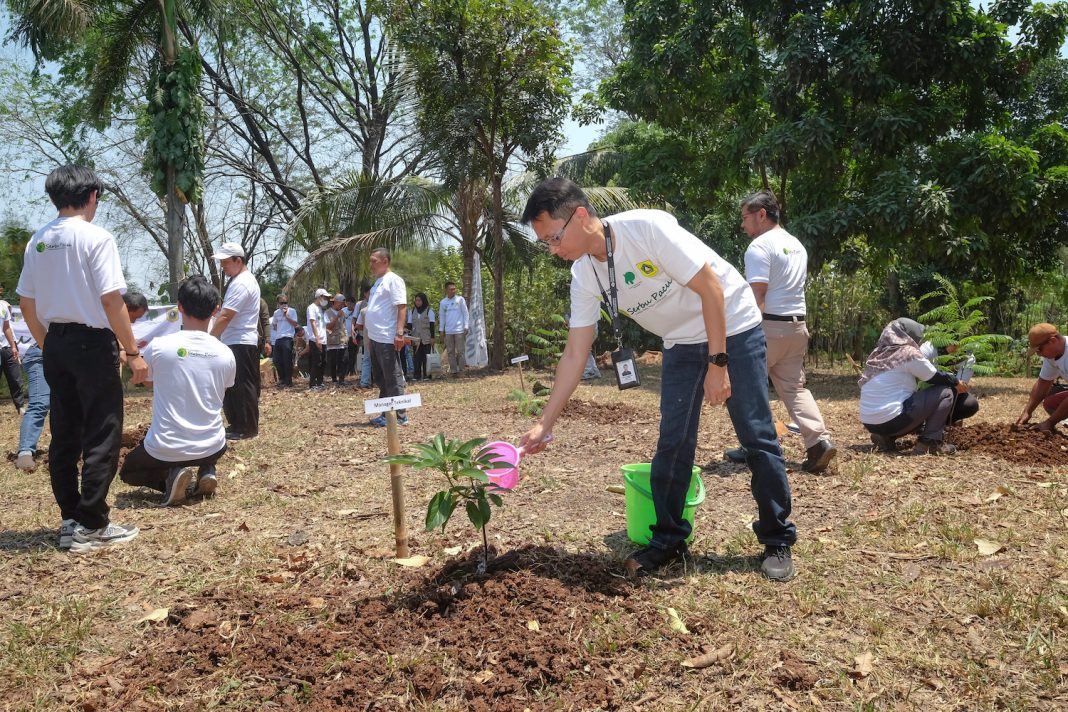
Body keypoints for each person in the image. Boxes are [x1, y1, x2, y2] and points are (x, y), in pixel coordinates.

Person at [518, 177, 797, 581]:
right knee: (674, 440)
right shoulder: (584, 275)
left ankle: (777, 538)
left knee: (755, 433)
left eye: (554, 238)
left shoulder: (646, 229)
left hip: (732, 324)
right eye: (546, 242)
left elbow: (711, 289)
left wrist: (719, 365)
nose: (553, 249)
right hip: (683, 341)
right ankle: (668, 539)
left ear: (580, 216)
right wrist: (545, 422)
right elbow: (575, 352)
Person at [17, 164, 146, 553]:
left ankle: (70, 519)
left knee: (65, 433)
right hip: (92, 344)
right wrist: (133, 351)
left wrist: (47, 342)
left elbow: (26, 302)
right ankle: (92, 524)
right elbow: (111, 300)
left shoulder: (38, 241)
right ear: (92, 196)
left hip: (55, 342)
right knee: (102, 432)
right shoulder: (96, 237)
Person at [723, 191, 837, 473]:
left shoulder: (760, 247)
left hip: (767, 326)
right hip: (796, 327)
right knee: (794, 388)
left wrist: (743, 334)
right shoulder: (796, 244)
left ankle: (757, 445)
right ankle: (818, 441)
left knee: (746, 389)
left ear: (761, 214)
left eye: (745, 218)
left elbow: (757, 295)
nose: (743, 225)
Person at [120, 276, 236, 505]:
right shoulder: (226, 353)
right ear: (216, 310)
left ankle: (172, 476)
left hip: (166, 447)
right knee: (207, 443)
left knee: (129, 472)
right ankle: (207, 469)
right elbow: (222, 388)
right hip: (214, 445)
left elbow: (149, 382)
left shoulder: (160, 346)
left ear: (180, 307)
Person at [859, 318, 977, 454]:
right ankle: (929, 443)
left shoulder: (877, 354)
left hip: (870, 422)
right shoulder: (907, 353)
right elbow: (933, 376)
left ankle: (886, 436)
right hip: (894, 418)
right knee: (945, 392)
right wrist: (955, 382)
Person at [209, 243, 261, 439]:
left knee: (243, 384)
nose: (223, 266)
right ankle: (238, 424)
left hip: (240, 341)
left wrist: (209, 338)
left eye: (226, 262)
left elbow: (226, 316)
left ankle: (247, 427)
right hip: (234, 340)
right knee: (233, 385)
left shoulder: (242, 283)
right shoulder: (238, 280)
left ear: (238, 261)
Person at [357, 248, 408, 426]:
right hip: (374, 337)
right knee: (380, 377)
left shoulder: (394, 280)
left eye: (374, 261)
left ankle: (399, 416)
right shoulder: (378, 282)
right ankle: (386, 413)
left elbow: (401, 306)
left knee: (392, 377)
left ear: (385, 261)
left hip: (387, 337)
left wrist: (399, 333)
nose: (370, 265)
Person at [1015, 323, 1068, 433]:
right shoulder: (1052, 356)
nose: (1039, 355)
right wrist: (1027, 411)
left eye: (1040, 350)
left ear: (1053, 341)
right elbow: (1043, 383)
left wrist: (1050, 422)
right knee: (1051, 403)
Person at [0, 291, 26, 414]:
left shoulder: (3, 306)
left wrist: (13, 347)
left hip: (7, 348)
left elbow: (6, 328)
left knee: (15, 378)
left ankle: (20, 406)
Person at [438, 281, 469, 375]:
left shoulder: (460, 300)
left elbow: (465, 313)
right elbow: (442, 316)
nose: (453, 291)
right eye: (451, 289)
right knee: (450, 352)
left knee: (460, 351)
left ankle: (462, 370)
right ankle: (453, 371)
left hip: (459, 330)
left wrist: (466, 326)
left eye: (454, 289)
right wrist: (441, 330)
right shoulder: (443, 302)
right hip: (448, 331)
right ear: (446, 290)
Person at [270, 294, 297, 386]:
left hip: (288, 337)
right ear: (278, 303)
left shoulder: (292, 311)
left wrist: (286, 316)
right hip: (278, 338)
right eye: (282, 303)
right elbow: (274, 325)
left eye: (286, 302)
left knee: (287, 360)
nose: (284, 305)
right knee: (276, 360)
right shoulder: (276, 313)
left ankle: (288, 381)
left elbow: (295, 324)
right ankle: (282, 379)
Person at [408, 292, 436, 381]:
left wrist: (432, 337)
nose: (417, 302)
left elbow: (432, 325)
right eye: (416, 300)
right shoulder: (412, 311)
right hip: (415, 338)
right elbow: (409, 324)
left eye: (419, 300)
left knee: (426, 357)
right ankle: (417, 375)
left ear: (423, 301)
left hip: (426, 338)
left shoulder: (429, 311)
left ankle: (427, 375)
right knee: (417, 357)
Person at [306, 288, 330, 389]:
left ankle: (320, 382)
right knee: (316, 362)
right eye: (325, 297)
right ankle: (313, 383)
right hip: (315, 339)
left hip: (323, 339)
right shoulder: (312, 308)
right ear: (319, 297)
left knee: (323, 362)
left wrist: (326, 332)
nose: (326, 300)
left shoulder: (320, 309)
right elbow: (313, 323)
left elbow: (321, 324)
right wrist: (317, 338)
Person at [325, 293, 349, 384]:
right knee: (333, 361)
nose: (342, 306)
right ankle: (334, 379)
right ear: (336, 302)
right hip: (332, 341)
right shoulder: (327, 312)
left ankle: (342, 379)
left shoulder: (342, 313)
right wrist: (336, 317)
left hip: (342, 340)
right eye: (341, 304)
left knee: (344, 359)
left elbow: (343, 325)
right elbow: (328, 326)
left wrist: (346, 336)